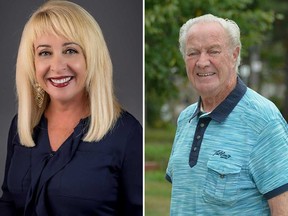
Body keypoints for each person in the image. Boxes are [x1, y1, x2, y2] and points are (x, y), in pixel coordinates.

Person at [0, 1, 143, 215]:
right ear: (32, 62)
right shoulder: (22, 125)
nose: (57, 67)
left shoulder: (127, 134)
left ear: (92, 57)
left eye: (70, 50)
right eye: (45, 53)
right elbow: (8, 203)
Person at [166, 14, 288, 215]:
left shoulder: (264, 121)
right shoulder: (185, 119)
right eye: (193, 53)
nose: (202, 62)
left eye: (213, 51)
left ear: (234, 55)